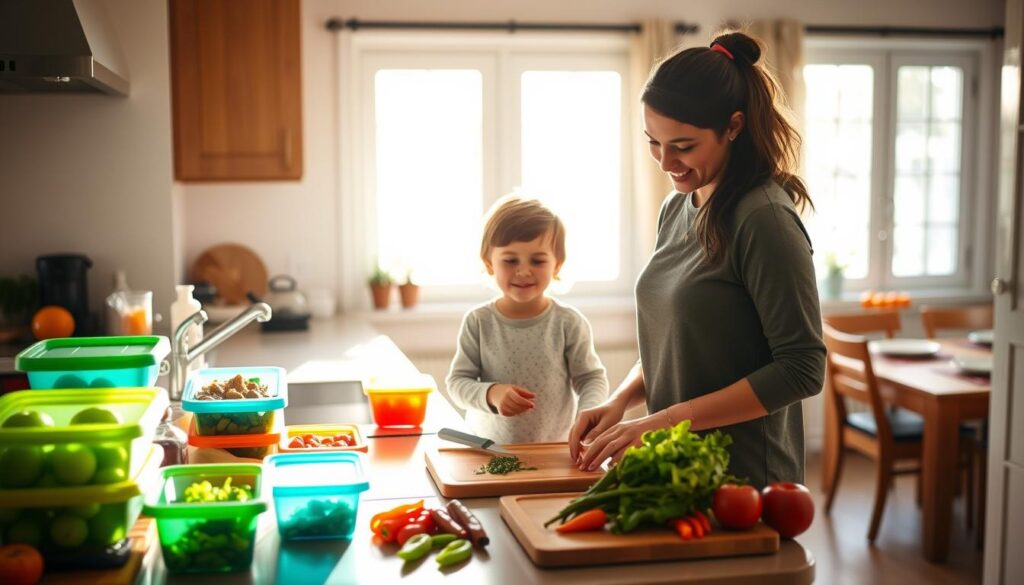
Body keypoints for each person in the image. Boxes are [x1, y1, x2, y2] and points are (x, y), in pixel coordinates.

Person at [569, 31, 826, 488]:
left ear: (734, 126)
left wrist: (661, 421)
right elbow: (685, 340)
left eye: (683, 146)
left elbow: (802, 369)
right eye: (653, 142)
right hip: (680, 467)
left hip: (743, 481)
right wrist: (622, 401)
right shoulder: (677, 207)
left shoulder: (764, 219)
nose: (665, 163)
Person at [446, 195, 609, 444]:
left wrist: (587, 413)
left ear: (557, 265)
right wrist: (492, 393)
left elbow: (591, 379)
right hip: (487, 450)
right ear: (490, 264)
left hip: (554, 449)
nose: (523, 271)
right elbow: (457, 383)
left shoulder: (568, 323)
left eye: (537, 260)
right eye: (510, 261)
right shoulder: (478, 322)